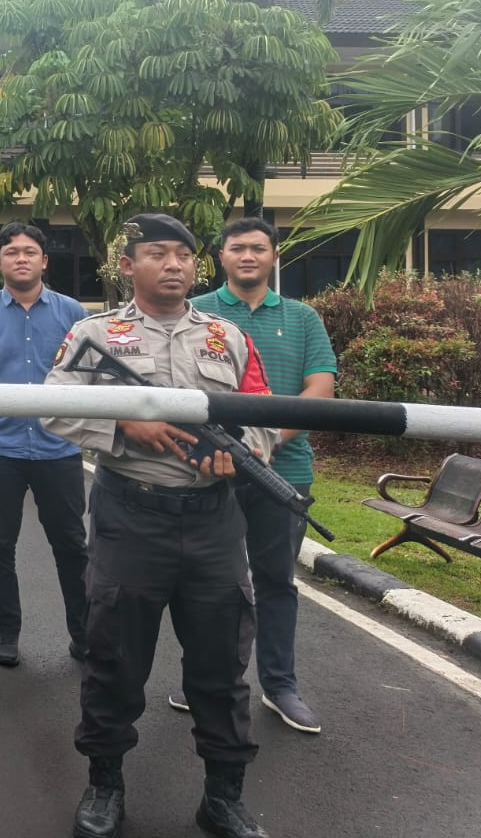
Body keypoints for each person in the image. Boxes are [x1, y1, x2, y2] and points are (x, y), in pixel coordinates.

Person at [43, 214, 275, 838]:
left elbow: (261, 413)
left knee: (222, 664)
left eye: (184, 255)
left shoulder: (227, 336)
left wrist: (244, 456)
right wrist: (123, 425)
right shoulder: (94, 334)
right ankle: (104, 785)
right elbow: (51, 407)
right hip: (131, 515)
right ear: (128, 266)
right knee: (113, 656)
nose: (174, 265)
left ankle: (223, 796)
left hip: (213, 520)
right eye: (158, 254)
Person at [167, 217, 337, 735]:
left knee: (275, 581)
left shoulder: (302, 318)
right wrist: (230, 448)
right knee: (208, 582)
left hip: (285, 471)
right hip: (209, 469)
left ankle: (280, 685)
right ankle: (207, 678)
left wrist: (265, 443)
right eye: (237, 248)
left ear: (273, 256)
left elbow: (320, 388)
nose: (247, 256)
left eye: (258, 248)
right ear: (220, 257)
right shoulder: (196, 313)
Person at [0, 222, 89, 668]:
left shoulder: (73, 314)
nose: (21, 258)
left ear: (44, 261)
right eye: (12, 252)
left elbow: (87, 375)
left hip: (59, 447)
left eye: (29, 252)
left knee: (71, 543)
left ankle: (84, 633)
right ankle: (5, 630)